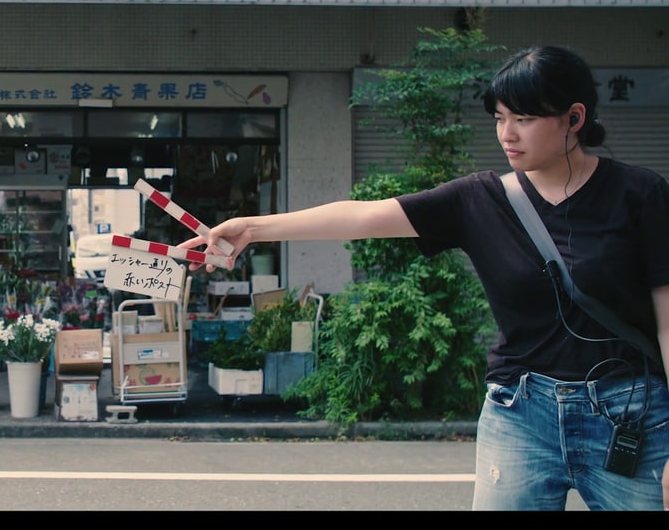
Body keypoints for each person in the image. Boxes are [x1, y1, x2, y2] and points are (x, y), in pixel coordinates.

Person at [179, 45, 669, 511]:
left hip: (628, 411)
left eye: (524, 118)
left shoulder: (640, 194)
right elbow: (364, 217)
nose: (507, 134)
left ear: (575, 118)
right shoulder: (480, 200)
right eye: (500, 118)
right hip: (521, 413)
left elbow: (667, 323)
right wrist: (253, 228)